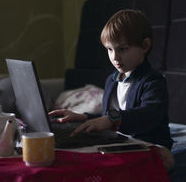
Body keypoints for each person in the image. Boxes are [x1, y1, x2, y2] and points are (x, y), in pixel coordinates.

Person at [49, 9, 174, 171]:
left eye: (122, 49)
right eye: (109, 49)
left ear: (145, 45)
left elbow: (149, 114)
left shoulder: (152, 81)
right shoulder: (112, 80)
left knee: (165, 160)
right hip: (120, 142)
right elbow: (108, 118)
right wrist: (83, 117)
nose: (115, 57)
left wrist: (111, 119)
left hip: (148, 143)